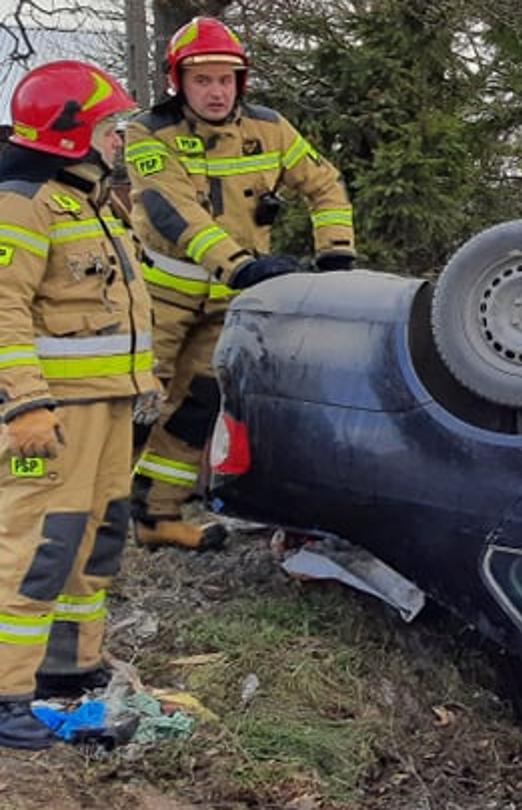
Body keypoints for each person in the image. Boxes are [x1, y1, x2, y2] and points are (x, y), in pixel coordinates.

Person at [125, 16, 355, 549]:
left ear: (240, 82)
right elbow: (173, 212)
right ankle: (92, 518)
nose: (216, 91)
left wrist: (336, 255)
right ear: (179, 82)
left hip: (231, 300)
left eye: (225, 79)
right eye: (202, 79)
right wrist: (241, 266)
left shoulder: (270, 128)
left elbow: (325, 184)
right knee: (135, 404)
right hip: (161, 296)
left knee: (198, 404)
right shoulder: (147, 133)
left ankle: (157, 516)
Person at [0, 61, 159, 749]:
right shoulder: (23, 203)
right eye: (108, 126)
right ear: (69, 134)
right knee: (36, 548)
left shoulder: (90, 200)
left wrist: (143, 380)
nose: (119, 138)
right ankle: (6, 693)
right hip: (49, 419)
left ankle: (67, 667)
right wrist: (24, 404)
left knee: (95, 539)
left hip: (108, 408)